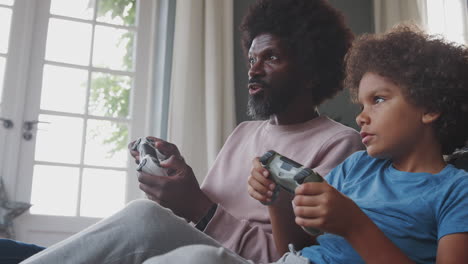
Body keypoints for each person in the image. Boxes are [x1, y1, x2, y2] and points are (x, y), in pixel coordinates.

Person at [20, 0, 363, 263]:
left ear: (312, 73)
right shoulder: (243, 134)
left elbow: (298, 257)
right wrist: (180, 185)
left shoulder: (339, 144)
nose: (254, 70)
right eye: (251, 60)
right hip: (200, 252)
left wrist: (197, 206)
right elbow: (205, 218)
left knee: (146, 218)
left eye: (271, 58)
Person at [140, 25, 468, 264]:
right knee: (143, 219)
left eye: (378, 100)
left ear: (430, 108)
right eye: (361, 105)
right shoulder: (357, 168)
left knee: (199, 260)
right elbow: (293, 249)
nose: (361, 118)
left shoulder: (456, 192)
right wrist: (278, 202)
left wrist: (355, 225)